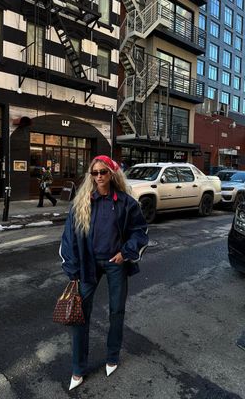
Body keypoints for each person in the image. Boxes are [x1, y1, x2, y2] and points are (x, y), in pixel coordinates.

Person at [59, 155, 149, 390]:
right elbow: (68, 238)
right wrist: (73, 269)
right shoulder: (82, 202)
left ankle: (112, 356)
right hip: (88, 264)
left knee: (116, 311)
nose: (99, 176)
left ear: (112, 173)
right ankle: (78, 368)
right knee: (79, 316)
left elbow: (140, 231)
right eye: (95, 173)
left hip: (115, 262)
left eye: (103, 172)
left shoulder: (126, 202)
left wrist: (125, 252)